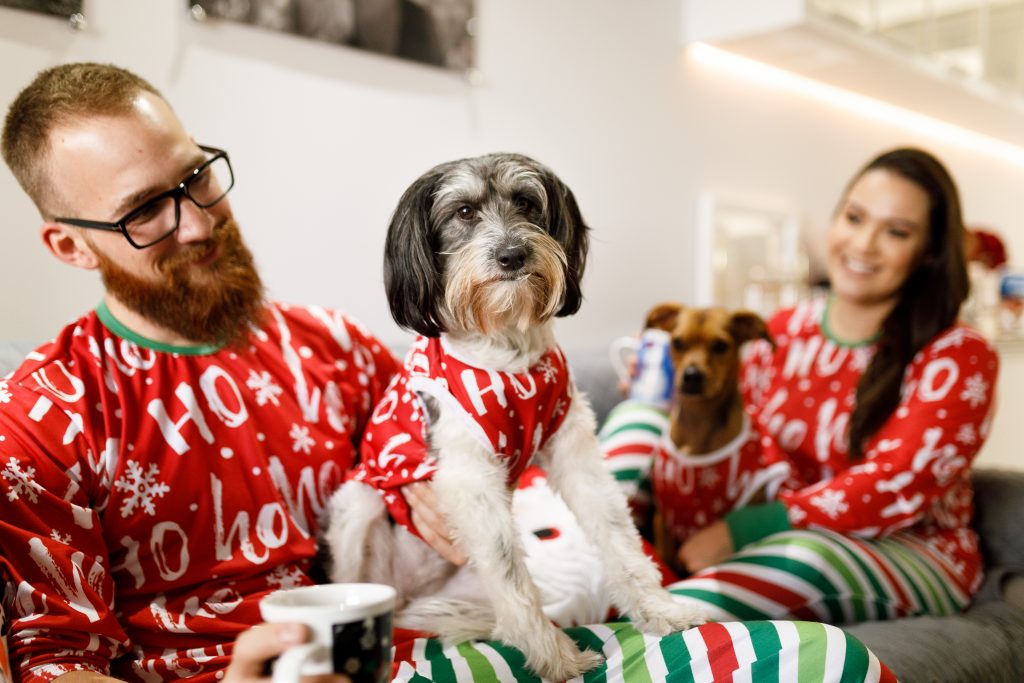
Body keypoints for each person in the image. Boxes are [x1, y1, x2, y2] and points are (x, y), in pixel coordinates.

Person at [0, 62, 897, 683]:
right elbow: (53, 659)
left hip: (418, 644)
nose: (196, 221)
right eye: (145, 213)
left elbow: (439, 456)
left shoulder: (332, 346)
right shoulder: (45, 413)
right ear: (69, 245)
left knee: (820, 659)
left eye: (196, 178)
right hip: (244, 668)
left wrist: (426, 493)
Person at [606, 147, 999, 630]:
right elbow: (729, 430)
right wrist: (670, 398)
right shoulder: (786, 328)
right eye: (854, 218)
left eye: (896, 231)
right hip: (771, 532)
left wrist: (742, 528)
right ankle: (581, 562)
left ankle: (616, 632)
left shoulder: (958, 355)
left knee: (805, 556)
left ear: (927, 253)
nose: (864, 243)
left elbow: (893, 480)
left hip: (906, 549)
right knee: (639, 417)